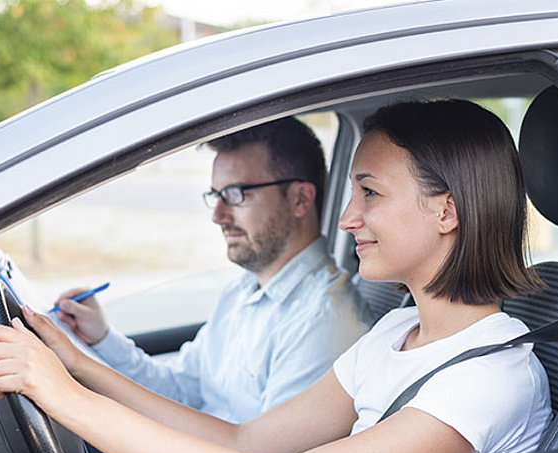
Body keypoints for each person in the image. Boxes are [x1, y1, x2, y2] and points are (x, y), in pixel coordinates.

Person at [0, 99, 552, 453]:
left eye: (370, 193)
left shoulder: (487, 380)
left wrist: (65, 397)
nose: (347, 217)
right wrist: (76, 364)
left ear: (446, 210)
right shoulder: (398, 332)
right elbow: (248, 443)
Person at [52, 117, 371, 424]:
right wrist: (102, 338)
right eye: (216, 195)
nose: (218, 215)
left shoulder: (324, 324)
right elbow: (180, 390)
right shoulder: (242, 291)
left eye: (235, 195)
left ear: (300, 199)